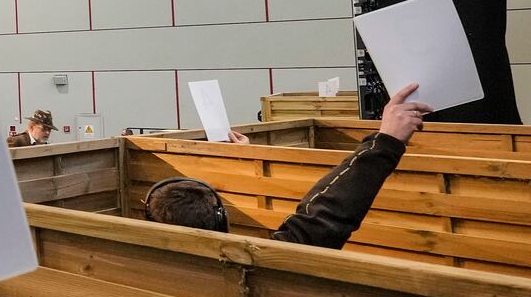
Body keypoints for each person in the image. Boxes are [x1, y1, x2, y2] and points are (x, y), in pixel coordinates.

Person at [145, 83, 432, 249]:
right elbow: (326, 216)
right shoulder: (262, 270)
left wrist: (246, 156)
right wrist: (386, 141)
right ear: (222, 220)